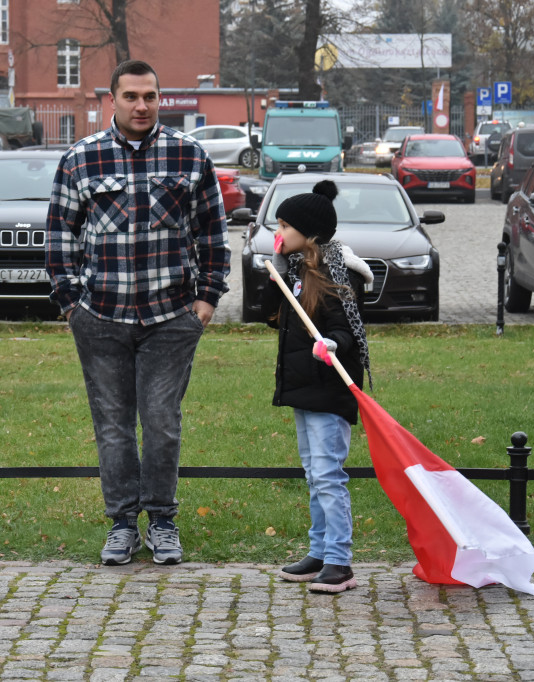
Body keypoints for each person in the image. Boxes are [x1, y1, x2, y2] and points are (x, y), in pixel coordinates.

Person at [46, 60, 230, 567]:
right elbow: (60, 236)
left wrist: (207, 301)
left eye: (150, 95)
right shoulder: (80, 159)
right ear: (113, 100)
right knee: (113, 426)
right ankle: (123, 524)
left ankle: (163, 521)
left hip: (171, 317)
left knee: (162, 423)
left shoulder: (189, 156)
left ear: (160, 98)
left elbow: (212, 234)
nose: (142, 105)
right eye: (131, 96)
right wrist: (71, 304)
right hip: (100, 316)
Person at [262, 180, 373, 594]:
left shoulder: (335, 274)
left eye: (285, 226)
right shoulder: (293, 270)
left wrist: (332, 344)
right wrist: (274, 270)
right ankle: (319, 551)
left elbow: (348, 330)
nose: (280, 232)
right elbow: (269, 316)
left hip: (329, 390)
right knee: (314, 473)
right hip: (302, 389)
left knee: (328, 474)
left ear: (309, 233)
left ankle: (340, 561)